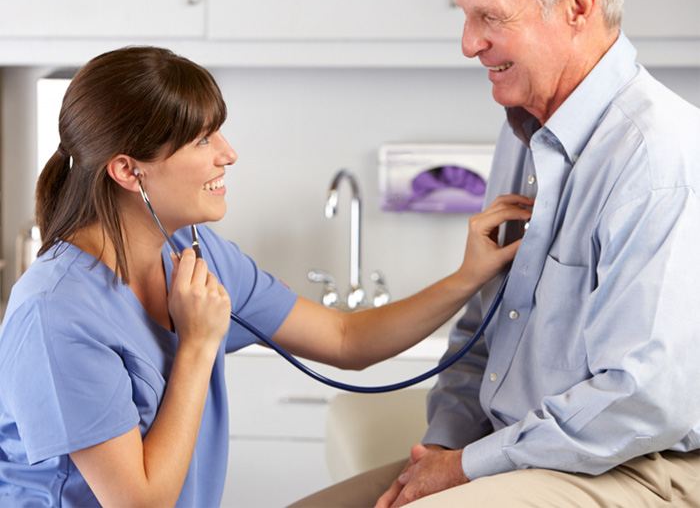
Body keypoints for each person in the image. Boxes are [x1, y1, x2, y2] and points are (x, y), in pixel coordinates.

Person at [0, 46, 532, 508]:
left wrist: (467, 277)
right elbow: (140, 502)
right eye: (203, 140)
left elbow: (347, 340)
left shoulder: (194, 252)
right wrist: (196, 347)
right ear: (126, 170)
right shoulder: (55, 313)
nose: (228, 154)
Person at [290, 0, 700, 507]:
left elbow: (642, 401)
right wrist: (443, 448)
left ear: (578, 6)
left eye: (491, 17)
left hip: (630, 464)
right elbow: (483, 335)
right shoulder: (524, 135)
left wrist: (467, 467)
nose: (468, 43)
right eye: (465, 15)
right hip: (515, 451)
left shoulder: (661, 158)